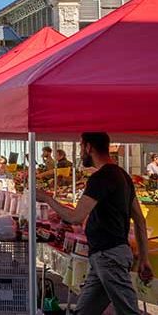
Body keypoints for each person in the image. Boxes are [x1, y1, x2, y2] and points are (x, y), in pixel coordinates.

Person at [37, 132, 152, 315]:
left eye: (81, 146)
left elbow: (75, 217)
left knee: (128, 311)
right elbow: (139, 219)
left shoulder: (101, 178)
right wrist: (144, 258)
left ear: (89, 147)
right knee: (84, 311)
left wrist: (47, 199)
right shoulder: (122, 175)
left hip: (109, 256)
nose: (80, 152)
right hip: (104, 256)